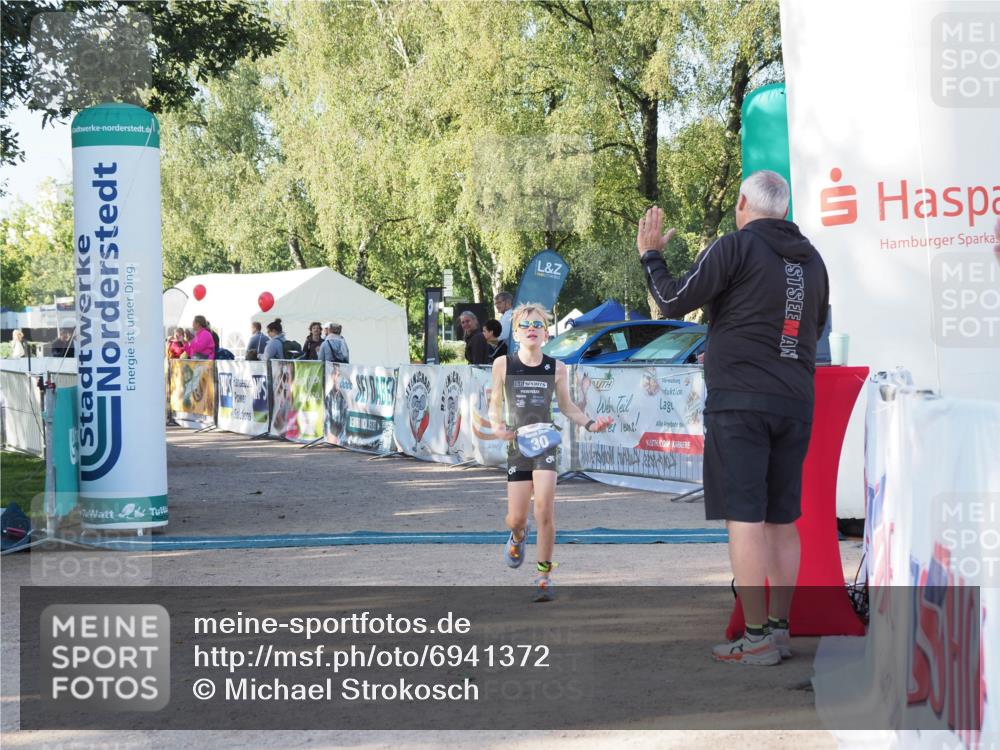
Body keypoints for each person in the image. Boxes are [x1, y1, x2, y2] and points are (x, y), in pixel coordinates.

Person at [636, 170, 829, 665]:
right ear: (783, 209)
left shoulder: (735, 246)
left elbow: (674, 300)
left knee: (744, 518)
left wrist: (651, 255)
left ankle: (758, 636)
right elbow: (815, 324)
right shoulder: (814, 261)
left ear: (743, 202)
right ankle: (780, 630)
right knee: (782, 519)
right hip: (794, 400)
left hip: (741, 402)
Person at [489, 303, 613, 602]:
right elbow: (495, 403)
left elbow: (568, 405)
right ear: (515, 333)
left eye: (537, 325)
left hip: (545, 442)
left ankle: (543, 575)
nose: (531, 329)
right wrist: (497, 425)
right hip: (518, 446)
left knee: (544, 507)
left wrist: (591, 423)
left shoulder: (556, 367)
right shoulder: (503, 365)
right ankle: (518, 536)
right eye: (525, 325)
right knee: (515, 519)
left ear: (546, 333)